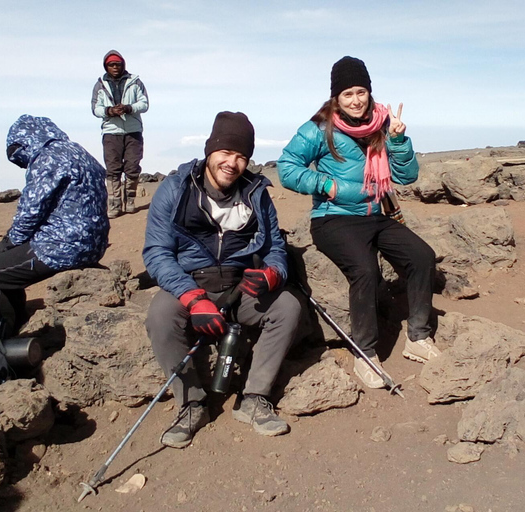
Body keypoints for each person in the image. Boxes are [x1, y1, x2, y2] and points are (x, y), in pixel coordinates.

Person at [277, 56, 438, 389]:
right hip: (333, 219)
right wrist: (328, 186)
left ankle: (418, 338)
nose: (355, 100)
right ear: (337, 97)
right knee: (365, 270)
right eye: (347, 93)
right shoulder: (320, 128)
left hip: (376, 215)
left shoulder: (382, 124)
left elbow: (407, 176)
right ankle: (365, 354)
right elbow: (287, 168)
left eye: (361, 91)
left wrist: (397, 140)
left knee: (422, 256)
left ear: (369, 92)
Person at [143, 111, 300, 448]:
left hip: (240, 286)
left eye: (242, 156)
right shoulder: (175, 190)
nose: (232, 162)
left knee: (286, 306)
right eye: (226, 152)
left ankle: (254, 398)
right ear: (209, 150)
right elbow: (156, 252)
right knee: (160, 315)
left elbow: (275, 247)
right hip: (189, 282)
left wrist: (273, 274)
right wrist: (192, 298)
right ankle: (191, 403)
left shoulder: (256, 193)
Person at [0, 115, 109, 328]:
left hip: (62, 247)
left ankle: (7, 331)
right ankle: (18, 317)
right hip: (92, 243)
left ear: (24, 143)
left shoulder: (48, 159)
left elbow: (31, 211)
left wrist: (11, 240)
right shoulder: (78, 151)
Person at [91, 49, 149, 218]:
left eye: (118, 64)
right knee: (113, 168)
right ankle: (114, 204)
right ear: (106, 66)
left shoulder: (135, 82)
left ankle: (129, 200)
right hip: (111, 131)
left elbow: (144, 103)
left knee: (132, 167)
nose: (115, 67)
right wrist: (109, 111)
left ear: (123, 65)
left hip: (133, 131)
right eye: (111, 64)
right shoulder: (100, 84)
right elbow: (95, 108)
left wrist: (129, 108)